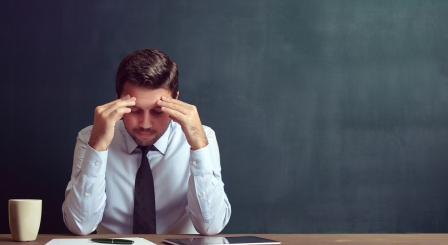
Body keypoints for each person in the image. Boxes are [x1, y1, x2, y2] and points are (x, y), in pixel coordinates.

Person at [62, 49, 231, 235]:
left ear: (176, 100)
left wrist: (198, 145)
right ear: (118, 100)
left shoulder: (202, 137)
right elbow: (80, 226)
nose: (145, 124)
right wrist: (98, 146)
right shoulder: (89, 138)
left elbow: (211, 226)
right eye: (135, 110)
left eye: (158, 111)